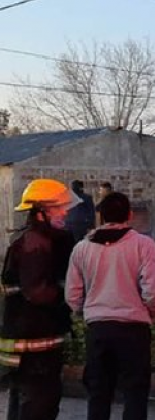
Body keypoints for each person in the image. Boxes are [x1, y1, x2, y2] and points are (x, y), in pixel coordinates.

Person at [65, 192, 155, 420]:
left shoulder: (82, 248)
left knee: (98, 393)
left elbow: (73, 293)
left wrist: (84, 312)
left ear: (101, 216)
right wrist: (151, 312)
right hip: (134, 328)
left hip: (98, 328)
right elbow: (154, 290)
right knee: (135, 392)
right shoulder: (143, 245)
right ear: (129, 215)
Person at [2, 179, 79, 420]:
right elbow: (37, 291)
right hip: (34, 344)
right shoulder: (35, 244)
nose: (65, 212)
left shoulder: (34, 239)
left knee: (24, 402)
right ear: (41, 212)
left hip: (28, 340)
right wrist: (68, 296)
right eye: (59, 208)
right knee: (39, 405)